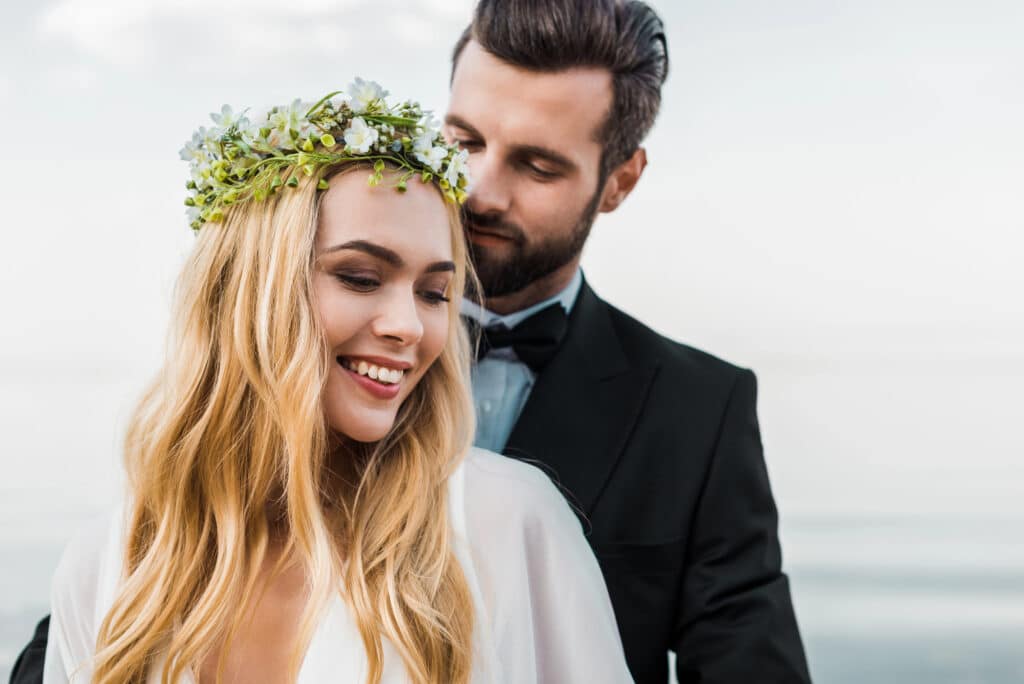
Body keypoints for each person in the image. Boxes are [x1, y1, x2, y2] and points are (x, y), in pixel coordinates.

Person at [30, 83, 632, 684]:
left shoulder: (508, 524)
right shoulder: (109, 568)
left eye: (433, 293)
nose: (409, 328)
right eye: (362, 278)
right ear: (249, 293)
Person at [446, 1, 813, 683]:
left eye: (537, 165)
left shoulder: (701, 410)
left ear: (620, 181)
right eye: (464, 141)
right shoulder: (312, 353)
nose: (480, 192)